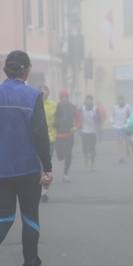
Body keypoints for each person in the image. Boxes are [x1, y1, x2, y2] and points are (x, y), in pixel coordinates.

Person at [0, 50, 53, 266]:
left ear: (5, 70)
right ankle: (31, 261)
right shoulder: (33, 96)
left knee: (5, 216)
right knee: (30, 216)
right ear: (28, 70)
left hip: (1, 170)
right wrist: (47, 167)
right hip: (28, 168)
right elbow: (40, 134)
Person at [55, 89, 81, 182]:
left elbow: (78, 120)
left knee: (68, 154)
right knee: (60, 156)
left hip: (69, 134)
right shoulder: (56, 106)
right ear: (60, 98)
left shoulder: (73, 107)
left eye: (65, 97)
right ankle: (61, 156)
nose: (64, 99)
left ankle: (65, 174)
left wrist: (76, 127)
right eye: (62, 97)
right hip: (58, 134)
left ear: (68, 97)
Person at [39, 85, 58, 202]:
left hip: (50, 138)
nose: (43, 91)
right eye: (40, 89)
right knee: (38, 165)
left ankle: (45, 190)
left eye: (45, 89)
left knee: (46, 163)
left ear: (48, 92)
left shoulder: (53, 105)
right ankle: (37, 188)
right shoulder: (33, 104)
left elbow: (62, 117)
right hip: (36, 139)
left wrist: (58, 123)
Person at [80, 94, 102, 171]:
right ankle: (86, 158)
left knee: (93, 148)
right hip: (84, 131)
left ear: (92, 101)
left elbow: (99, 120)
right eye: (87, 99)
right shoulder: (82, 109)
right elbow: (78, 119)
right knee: (84, 146)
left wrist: (98, 119)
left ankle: (92, 163)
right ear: (85, 100)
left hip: (93, 131)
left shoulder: (95, 109)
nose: (89, 100)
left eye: (90, 99)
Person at [111, 95, 132, 162]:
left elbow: (132, 116)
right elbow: (112, 115)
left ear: (124, 100)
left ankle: (127, 147)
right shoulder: (115, 108)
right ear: (118, 101)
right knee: (120, 141)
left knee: (126, 141)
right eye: (120, 100)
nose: (121, 101)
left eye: (122, 100)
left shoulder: (127, 107)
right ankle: (121, 156)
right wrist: (112, 122)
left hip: (126, 126)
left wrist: (128, 120)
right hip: (118, 126)